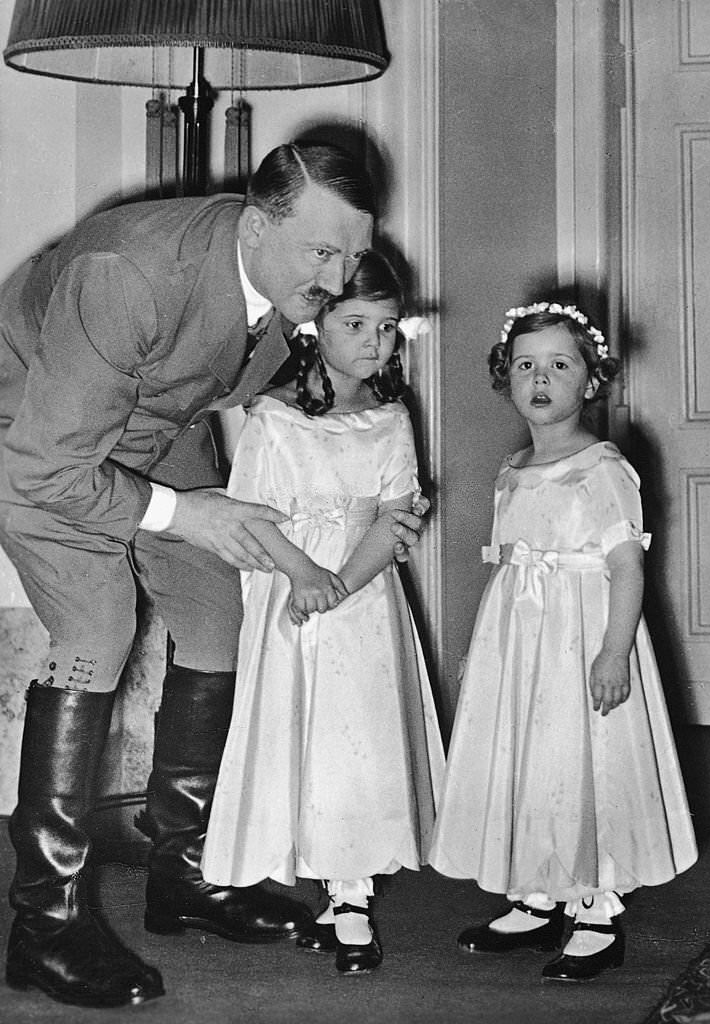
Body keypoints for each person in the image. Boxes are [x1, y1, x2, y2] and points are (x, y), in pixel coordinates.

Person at [0, 142, 427, 1009]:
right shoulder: (129, 273)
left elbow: (231, 392)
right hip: (38, 438)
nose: (343, 276)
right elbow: (44, 466)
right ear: (257, 220)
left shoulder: (290, 285)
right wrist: (188, 513)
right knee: (96, 632)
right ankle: (42, 926)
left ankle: (185, 875)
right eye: (323, 253)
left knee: (216, 616)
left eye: (353, 252)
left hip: (158, 428)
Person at [428, 301, 697, 982]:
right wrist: (484, 652)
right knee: (529, 758)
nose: (539, 379)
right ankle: (537, 895)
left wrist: (613, 652)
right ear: (506, 377)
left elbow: (626, 566)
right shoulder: (513, 466)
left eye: (559, 364)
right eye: (525, 365)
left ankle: (596, 905)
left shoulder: (603, 467)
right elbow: (508, 563)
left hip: (582, 641)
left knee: (583, 763)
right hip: (523, 642)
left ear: (591, 380)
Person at [200, 250, 445, 976]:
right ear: (315, 326)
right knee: (295, 725)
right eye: (357, 323)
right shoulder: (274, 417)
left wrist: (340, 584)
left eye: (389, 328)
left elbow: (396, 518)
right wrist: (305, 575)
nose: (375, 343)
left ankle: (351, 890)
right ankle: (286, 860)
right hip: (291, 588)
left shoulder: (390, 417)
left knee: (355, 739)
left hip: (362, 605)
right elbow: (251, 515)